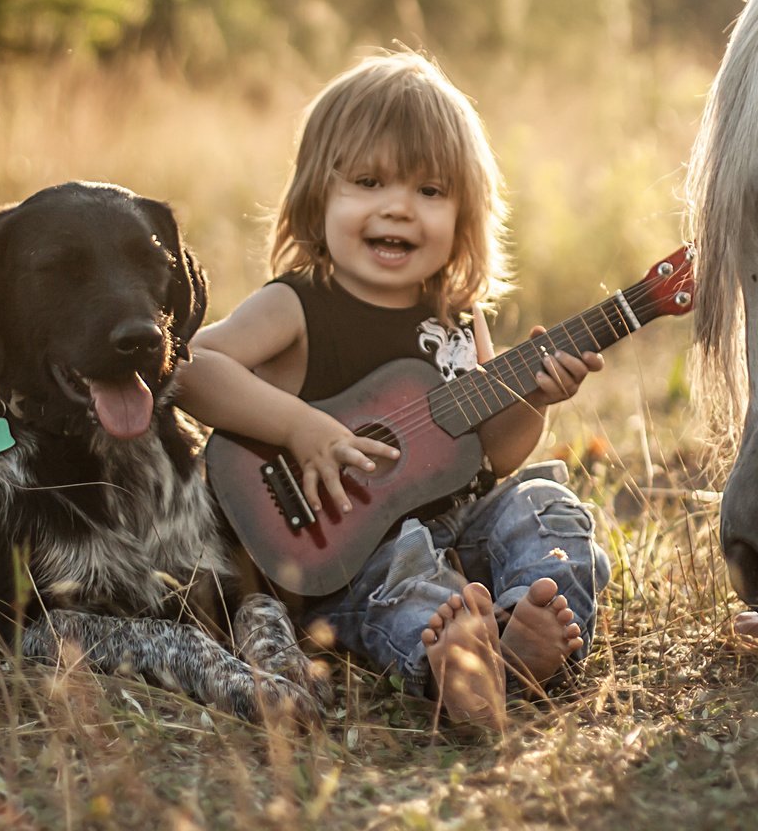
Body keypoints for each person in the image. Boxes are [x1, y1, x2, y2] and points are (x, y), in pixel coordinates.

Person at [177, 51, 611, 731]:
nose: (399, 208)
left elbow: (493, 460)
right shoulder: (297, 305)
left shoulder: (459, 317)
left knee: (547, 506)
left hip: (462, 530)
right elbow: (192, 366)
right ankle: (454, 668)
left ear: (466, 214)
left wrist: (533, 400)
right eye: (369, 181)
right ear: (318, 196)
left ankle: (524, 632)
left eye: (430, 192)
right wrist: (299, 427)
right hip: (347, 555)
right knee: (406, 582)